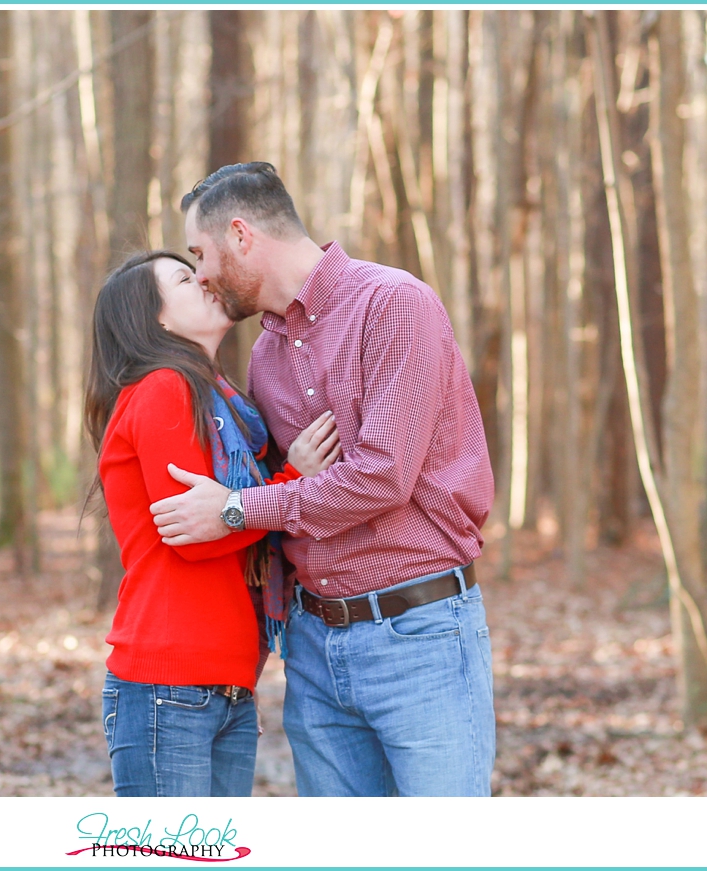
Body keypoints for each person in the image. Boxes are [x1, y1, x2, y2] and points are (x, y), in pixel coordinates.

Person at [149, 163, 497, 797]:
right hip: (313, 648)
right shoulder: (266, 353)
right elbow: (288, 493)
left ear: (241, 234)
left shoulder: (393, 304)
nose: (199, 273)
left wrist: (236, 508)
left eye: (201, 253)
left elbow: (382, 478)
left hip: (418, 637)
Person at [84, 249, 341, 797]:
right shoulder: (163, 389)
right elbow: (196, 538)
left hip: (226, 682)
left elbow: (226, 514)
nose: (203, 279)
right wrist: (293, 477)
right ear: (155, 319)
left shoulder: (223, 404)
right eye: (183, 278)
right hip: (168, 678)